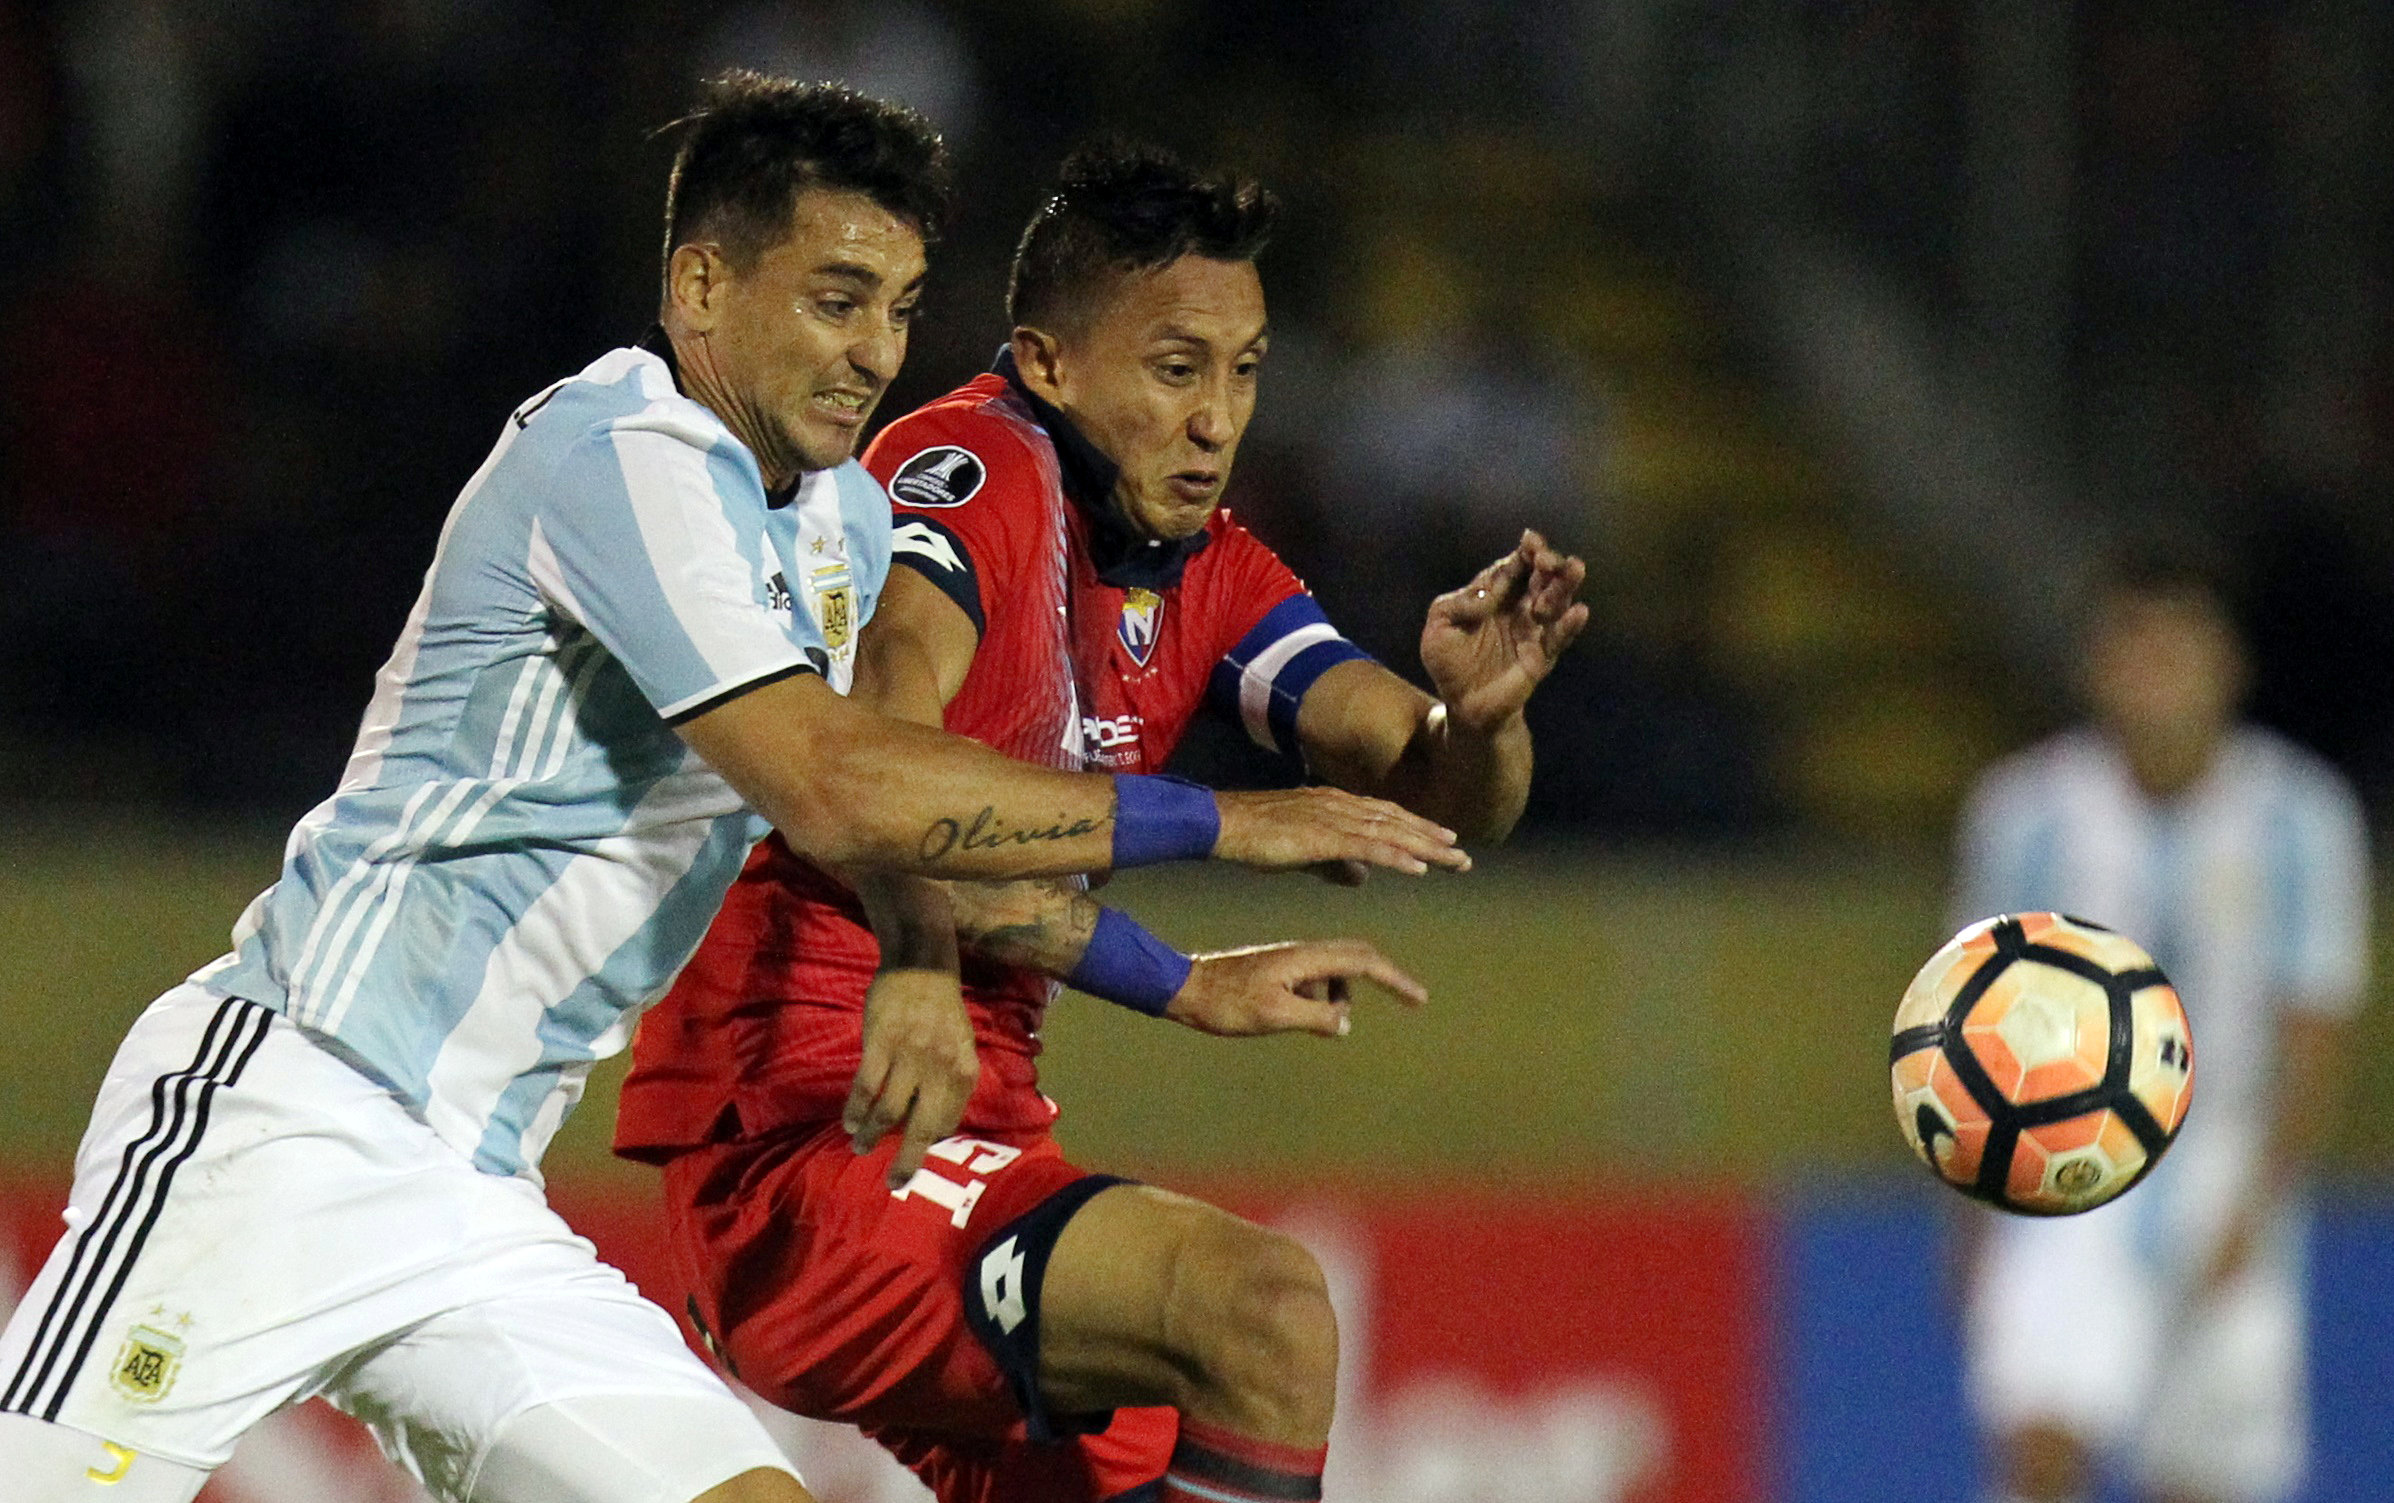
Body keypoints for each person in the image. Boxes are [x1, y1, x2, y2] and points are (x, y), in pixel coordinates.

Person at [0, 80, 1467, 1503]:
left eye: (896, 309)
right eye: (833, 299)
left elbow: (903, 806)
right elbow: (836, 784)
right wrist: (1227, 819)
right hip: (291, 1107)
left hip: (472, 1185)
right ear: (701, 285)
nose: (872, 353)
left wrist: (1111, 974)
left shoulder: (831, 511)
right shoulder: (620, 450)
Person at [614, 144, 1590, 1503]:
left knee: (1143, 1450)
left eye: (1244, 372)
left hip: (976, 1145)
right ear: (1051, 361)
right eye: (1177, 368)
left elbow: (1431, 793)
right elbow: (877, 744)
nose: (1217, 420)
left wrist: (1479, 722)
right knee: (1260, 1309)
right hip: (811, 1140)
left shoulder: (1205, 568)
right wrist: (912, 961)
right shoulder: (968, 465)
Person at [1951, 537, 2368, 1503]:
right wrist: (1970, 1216)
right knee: (2039, 1440)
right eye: (2134, 646)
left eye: (2180, 646)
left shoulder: (2303, 819)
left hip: (2222, 1151)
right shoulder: (2025, 812)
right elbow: (1971, 1022)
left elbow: (2313, 1030)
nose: (2157, 674)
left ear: (2232, 663)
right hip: (2059, 1150)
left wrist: (2263, 1202)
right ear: (2093, 665)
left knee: (2203, 1473)